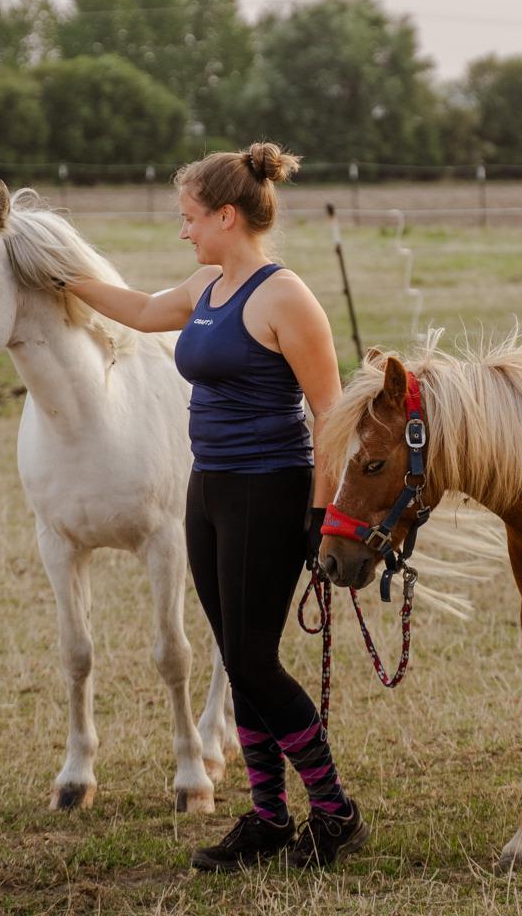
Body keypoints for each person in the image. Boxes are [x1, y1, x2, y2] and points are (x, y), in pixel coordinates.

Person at [65, 143, 367, 871]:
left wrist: (320, 515)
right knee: (237, 654)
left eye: (191, 218)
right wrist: (59, 275)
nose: (184, 231)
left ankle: (336, 814)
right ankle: (267, 818)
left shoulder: (285, 298)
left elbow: (330, 415)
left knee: (255, 664)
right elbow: (142, 310)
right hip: (209, 489)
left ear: (227, 216)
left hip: (271, 489)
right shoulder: (208, 286)